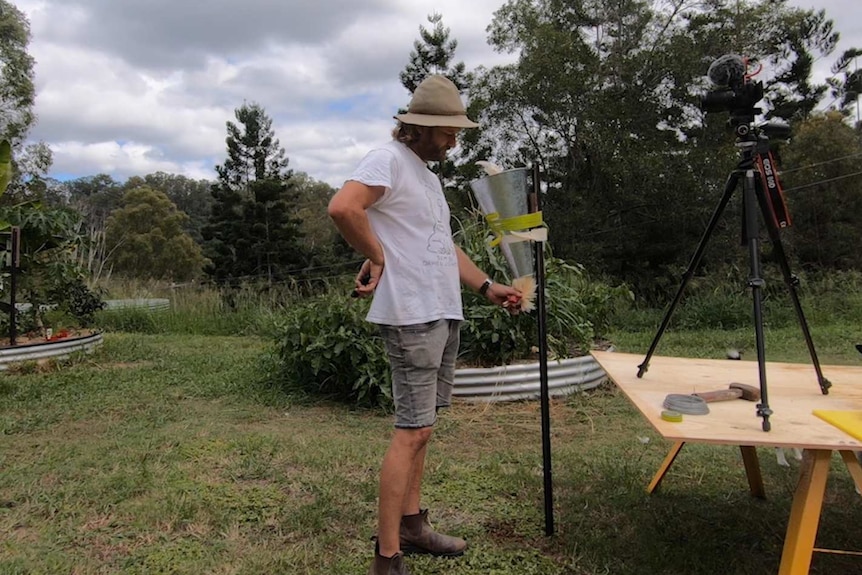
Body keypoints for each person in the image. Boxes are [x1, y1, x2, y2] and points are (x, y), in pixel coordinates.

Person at [327, 75, 522, 575]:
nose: (456, 138)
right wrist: (376, 255)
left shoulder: (427, 177)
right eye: (448, 130)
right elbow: (343, 207)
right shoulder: (387, 159)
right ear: (419, 127)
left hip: (441, 310)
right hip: (411, 314)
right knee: (410, 432)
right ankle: (387, 557)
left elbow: (442, 245)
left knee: (425, 428)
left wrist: (486, 287)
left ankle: (413, 526)